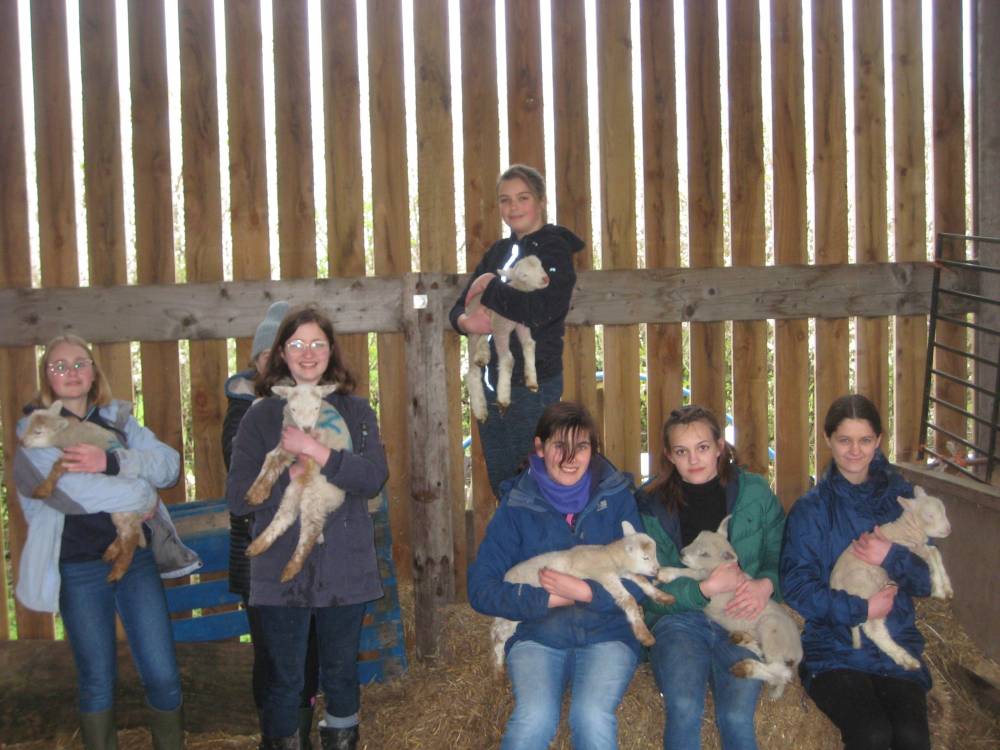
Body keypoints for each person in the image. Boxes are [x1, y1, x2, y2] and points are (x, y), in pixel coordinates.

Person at [13, 334, 187, 749]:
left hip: (137, 560)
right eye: (59, 366)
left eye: (79, 363)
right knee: (96, 678)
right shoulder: (35, 431)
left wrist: (110, 461)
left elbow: (168, 466)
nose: (71, 373)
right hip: (77, 567)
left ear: (93, 372)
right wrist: (141, 493)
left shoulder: (120, 421)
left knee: (163, 673)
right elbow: (74, 495)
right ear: (47, 378)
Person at [227, 305, 388, 750]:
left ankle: (341, 738)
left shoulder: (355, 411)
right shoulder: (260, 417)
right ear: (281, 353)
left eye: (318, 343)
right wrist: (288, 468)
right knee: (284, 678)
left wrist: (320, 454)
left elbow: (373, 477)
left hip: (343, 565)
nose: (308, 352)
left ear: (331, 351)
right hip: (282, 572)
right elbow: (238, 497)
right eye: (297, 344)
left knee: (340, 672)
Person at [467, 401, 642, 750]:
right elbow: (480, 589)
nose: (570, 458)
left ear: (593, 450)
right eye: (559, 445)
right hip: (538, 633)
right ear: (539, 447)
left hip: (608, 633)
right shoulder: (517, 505)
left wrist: (587, 593)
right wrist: (547, 598)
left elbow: (639, 578)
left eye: (581, 447)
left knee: (592, 717)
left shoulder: (616, 497)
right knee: (534, 718)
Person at [780, 394, 932, 750]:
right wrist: (861, 610)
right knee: (872, 734)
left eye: (864, 440)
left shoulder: (903, 500)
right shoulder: (811, 510)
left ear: (878, 441)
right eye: (844, 440)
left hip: (896, 646)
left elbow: (925, 582)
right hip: (835, 649)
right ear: (828, 439)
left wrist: (891, 555)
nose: (854, 451)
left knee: (912, 738)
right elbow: (797, 587)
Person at [636, 405, 785, 750]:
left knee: (736, 716)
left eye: (703, 447)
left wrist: (766, 584)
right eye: (682, 451)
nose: (694, 459)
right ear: (669, 456)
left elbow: (781, 554)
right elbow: (647, 581)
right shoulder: (650, 504)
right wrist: (703, 590)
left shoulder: (755, 494)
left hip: (740, 619)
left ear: (720, 446)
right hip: (679, 622)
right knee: (685, 706)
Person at [449, 164, 585, 496]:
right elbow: (460, 304)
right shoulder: (498, 252)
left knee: (534, 476)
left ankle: (544, 545)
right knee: (504, 482)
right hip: (491, 380)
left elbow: (541, 310)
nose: (514, 207)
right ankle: (519, 546)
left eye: (523, 198)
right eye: (505, 200)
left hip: (533, 383)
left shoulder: (555, 249)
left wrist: (490, 286)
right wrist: (467, 323)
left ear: (540, 201)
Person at [222, 300, 321, 749]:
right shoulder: (244, 412)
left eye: (282, 353)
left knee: (309, 654)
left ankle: (301, 733)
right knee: (273, 656)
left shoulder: (313, 404)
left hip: (311, 554)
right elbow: (246, 488)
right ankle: (275, 737)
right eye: (268, 356)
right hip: (261, 557)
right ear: (260, 360)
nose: (276, 363)